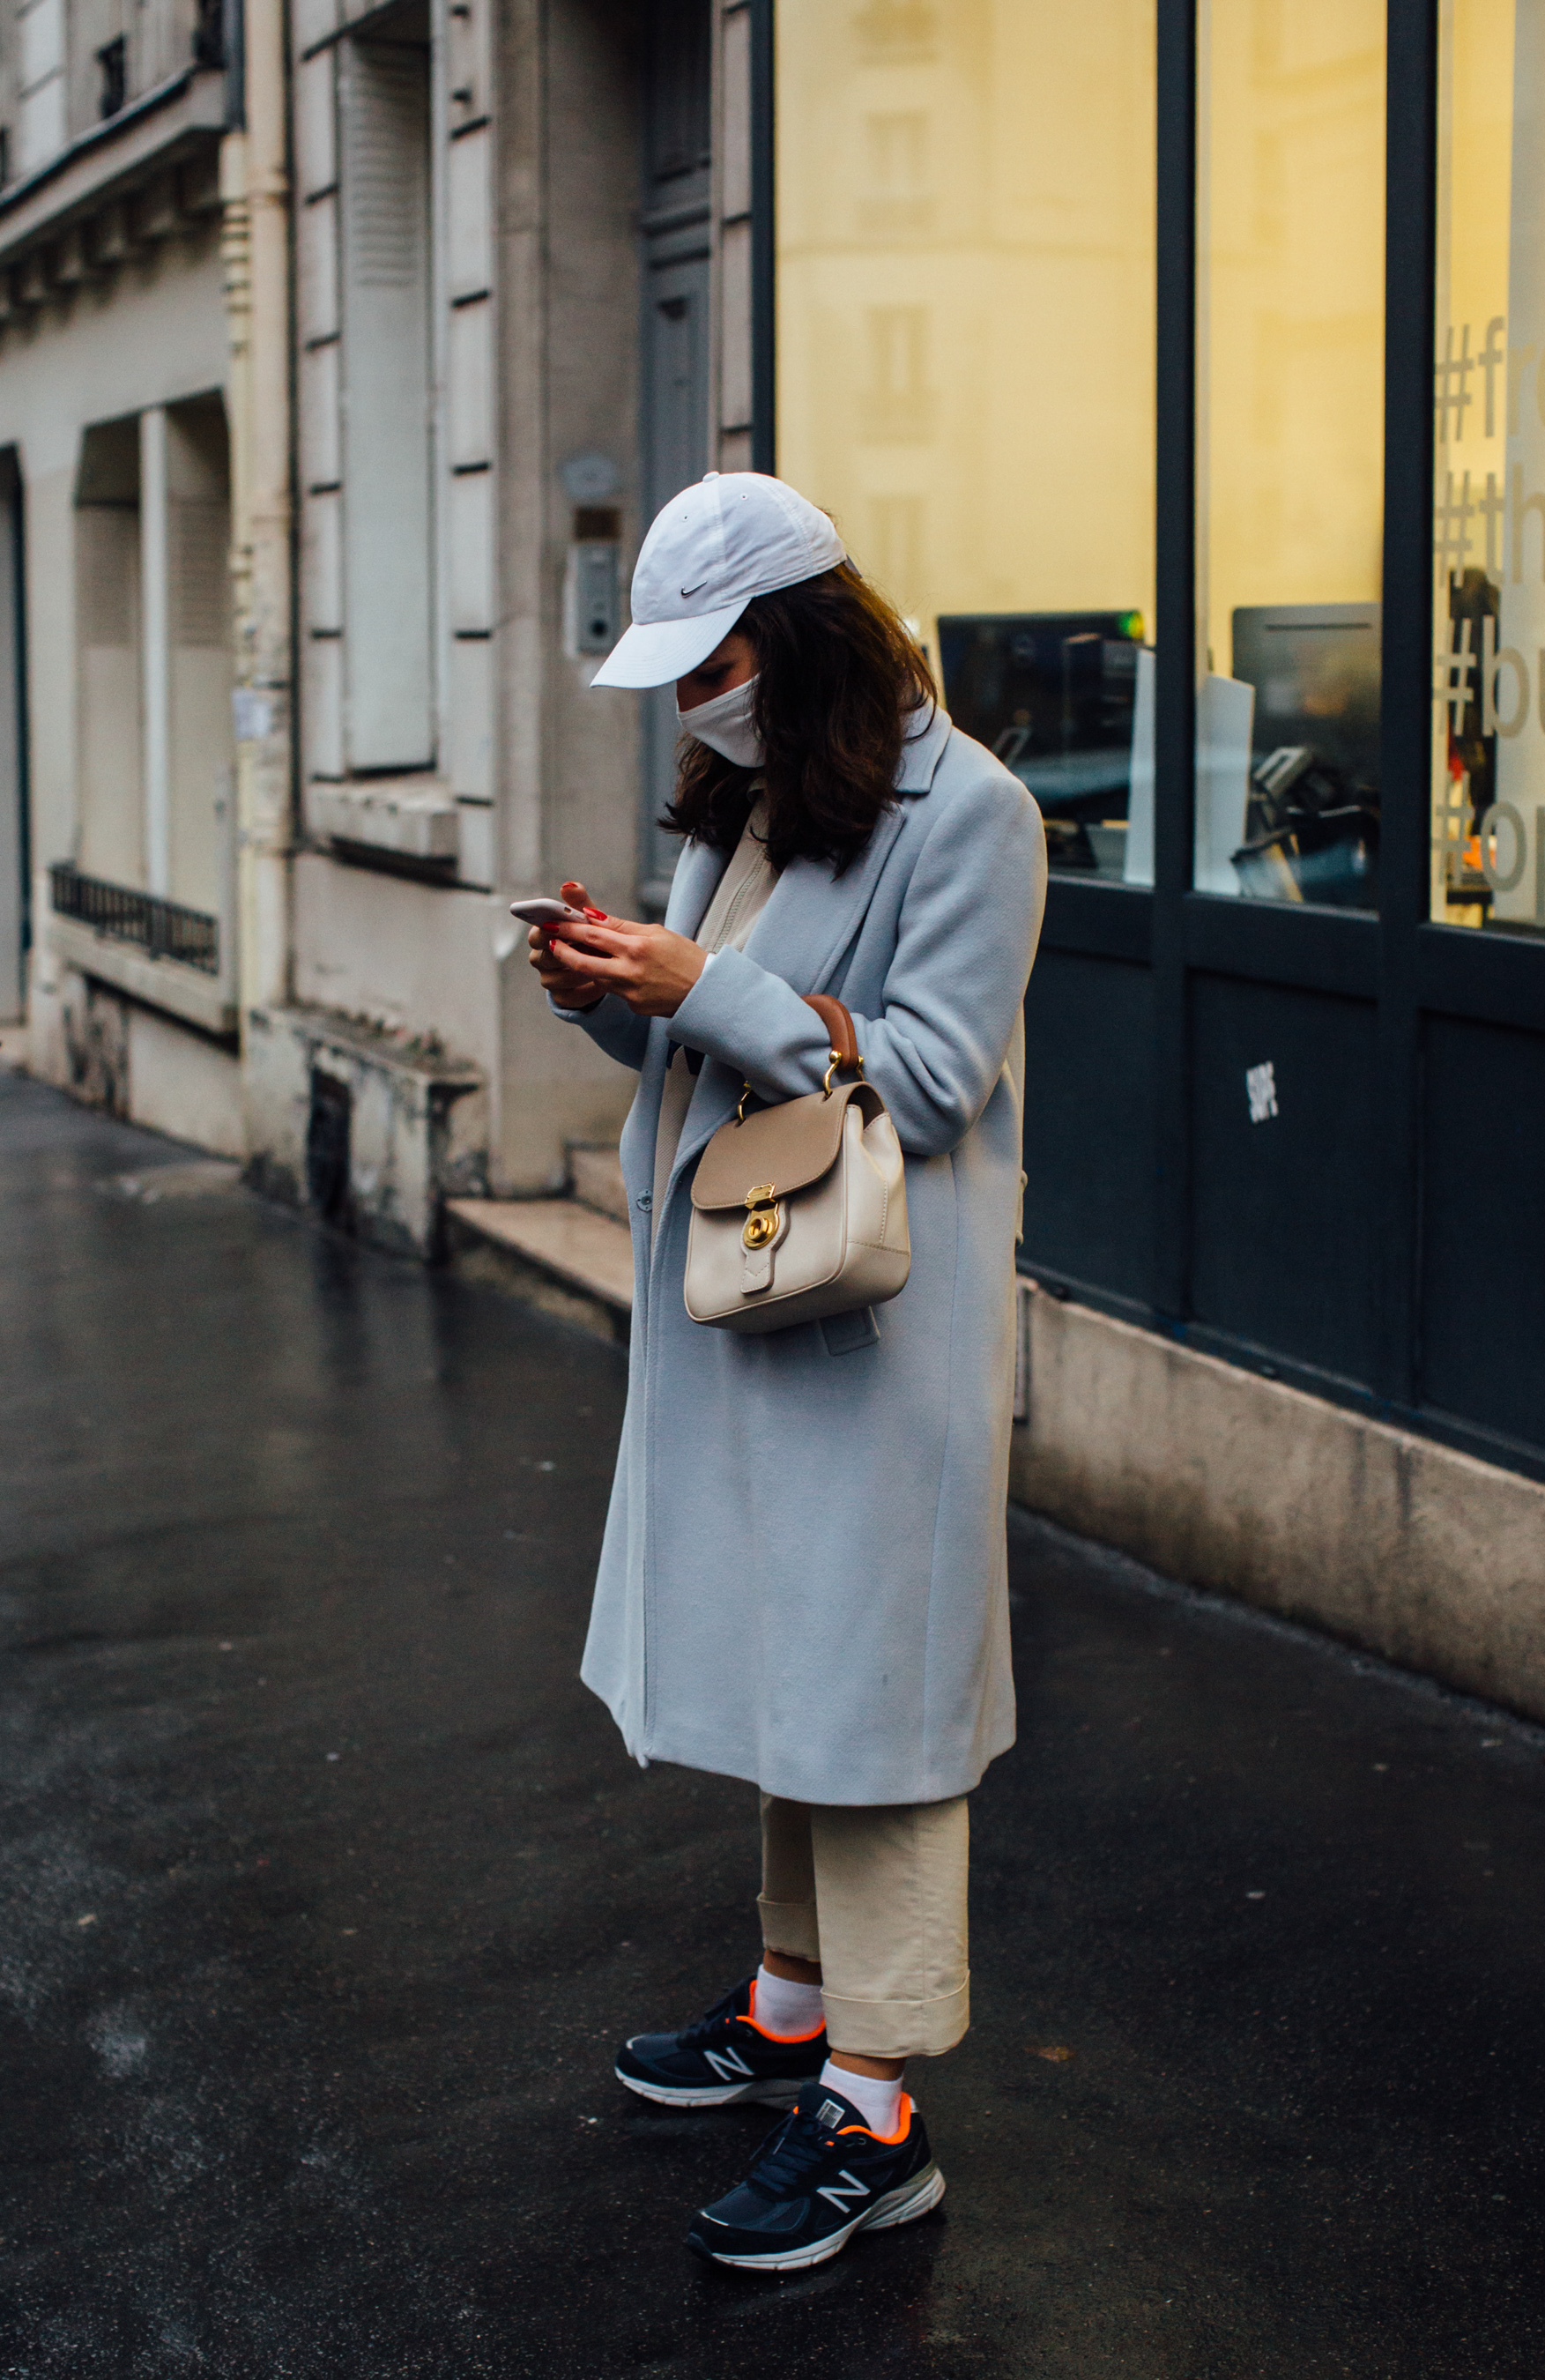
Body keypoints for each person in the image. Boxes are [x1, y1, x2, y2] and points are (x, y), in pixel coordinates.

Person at [529, 472, 1044, 2273]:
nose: (693, 704)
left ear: (806, 635)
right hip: (752, 1304)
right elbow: (711, 1033)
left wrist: (699, 984)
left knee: (881, 1715)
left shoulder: (971, 813)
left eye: (714, 663)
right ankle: (788, 2006)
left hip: (881, 1331)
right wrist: (607, 985)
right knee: (793, 1672)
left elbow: (928, 1073)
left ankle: (878, 2110)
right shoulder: (760, 798)